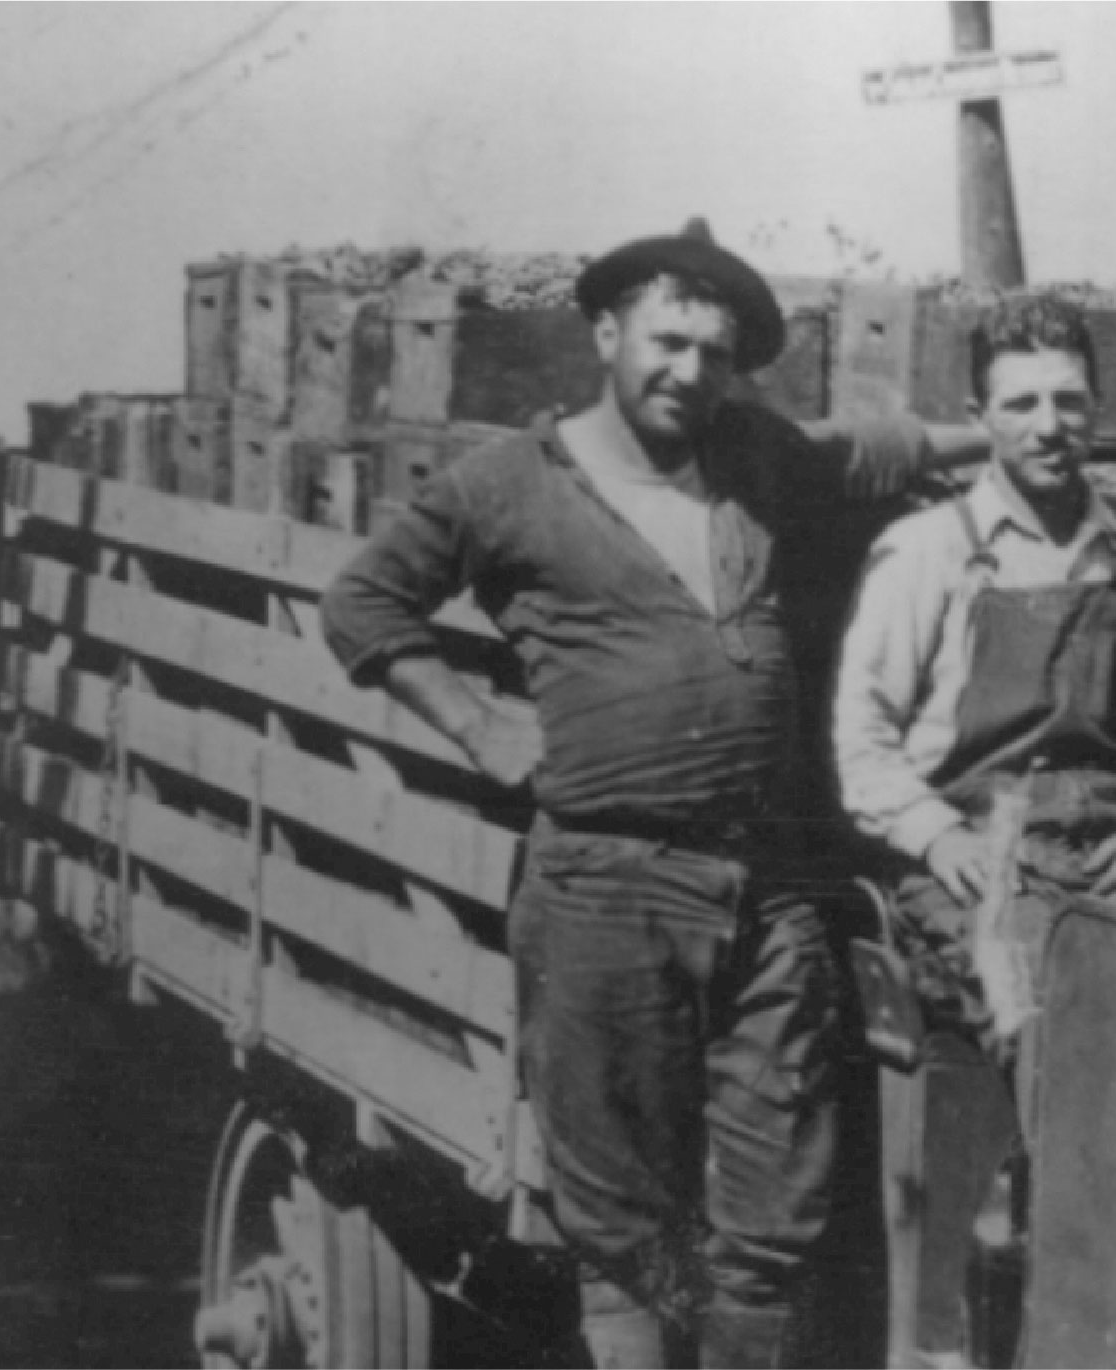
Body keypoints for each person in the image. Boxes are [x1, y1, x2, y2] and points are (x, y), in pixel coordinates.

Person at [320, 221, 965, 1369]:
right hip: (603, 887)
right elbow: (364, 604)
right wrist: (477, 728)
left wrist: (1024, 436)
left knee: (775, 1206)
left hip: (761, 891)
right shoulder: (508, 483)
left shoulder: (755, 455)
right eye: (668, 342)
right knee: (622, 1220)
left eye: (716, 354)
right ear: (607, 331)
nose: (689, 372)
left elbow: (872, 449)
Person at [833, 294, 1116, 1054]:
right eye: (1020, 404)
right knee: (1046, 1018)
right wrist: (939, 837)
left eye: (1068, 401)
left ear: (1097, 408)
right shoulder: (925, 552)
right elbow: (862, 741)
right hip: (985, 854)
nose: (1048, 427)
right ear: (979, 414)